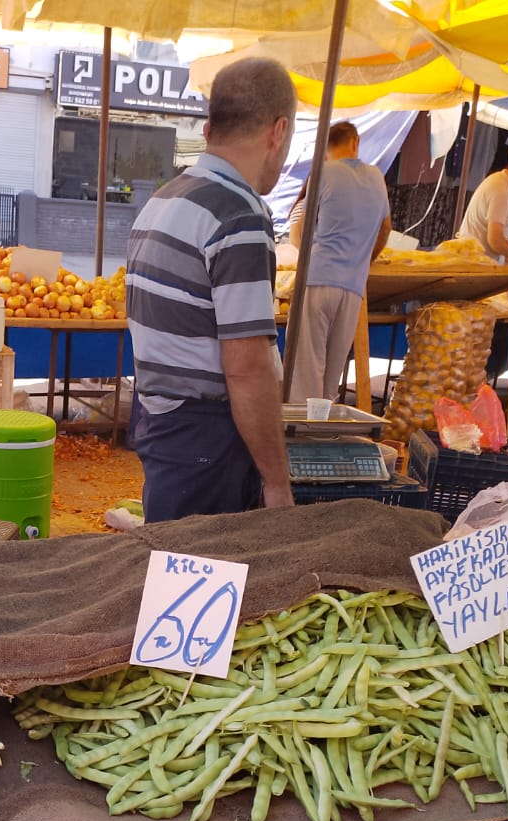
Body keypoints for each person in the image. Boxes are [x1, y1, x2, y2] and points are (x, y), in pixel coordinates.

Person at [125, 58, 297, 523]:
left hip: (162, 425)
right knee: (207, 579)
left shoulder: (166, 198)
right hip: (207, 441)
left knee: (169, 572)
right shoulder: (239, 214)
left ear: (210, 129)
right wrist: (278, 484)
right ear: (278, 132)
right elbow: (246, 369)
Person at [285, 121, 391, 408]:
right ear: (355, 142)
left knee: (306, 369)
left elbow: (298, 233)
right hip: (353, 287)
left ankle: (299, 440)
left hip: (318, 280)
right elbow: (385, 228)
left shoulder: (324, 172)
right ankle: (321, 435)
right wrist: (364, 259)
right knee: (332, 375)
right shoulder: (376, 176)